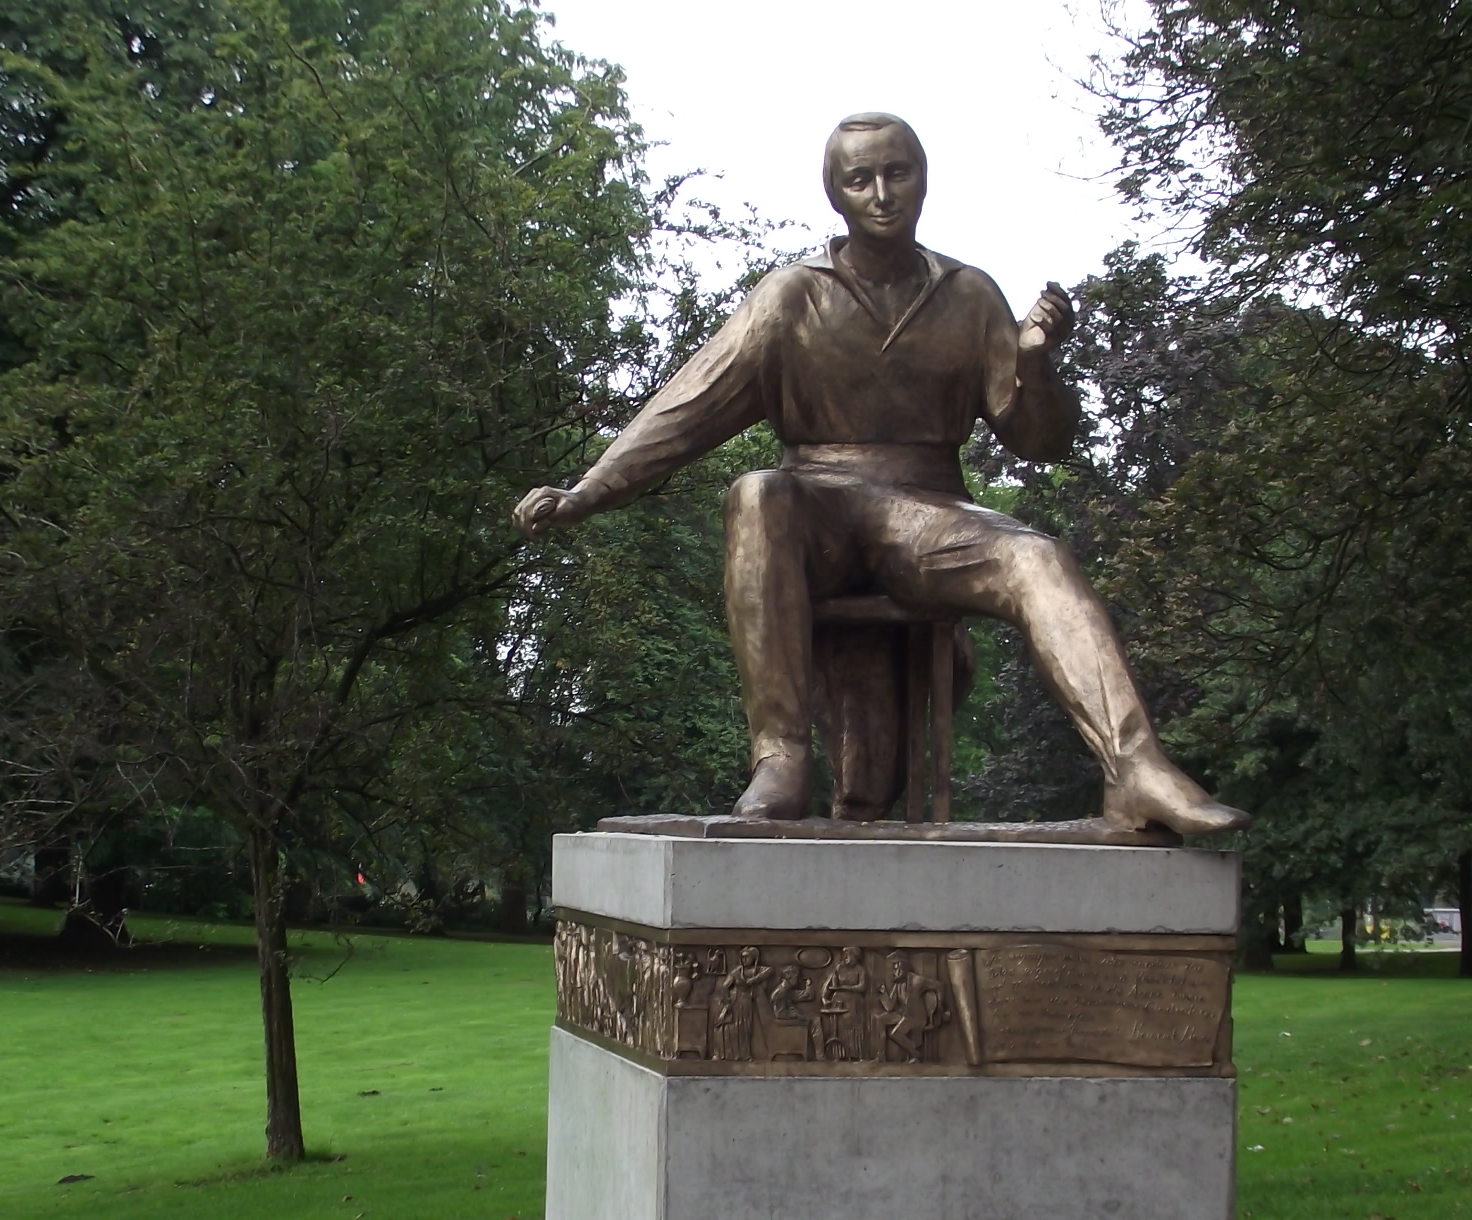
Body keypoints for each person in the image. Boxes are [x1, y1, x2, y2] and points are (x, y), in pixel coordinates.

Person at [512, 113, 1248, 834]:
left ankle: (1136, 768)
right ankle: (781, 757)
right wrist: (590, 491)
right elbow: (690, 403)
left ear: (924, 181)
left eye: (898, 173)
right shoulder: (792, 296)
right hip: (818, 510)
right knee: (757, 492)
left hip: (926, 513)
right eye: (860, 179)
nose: (882, 193)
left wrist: (1033, 361)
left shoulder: (968, 295)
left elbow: (1040, 440)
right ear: (835, 194)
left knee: (1039, 556)